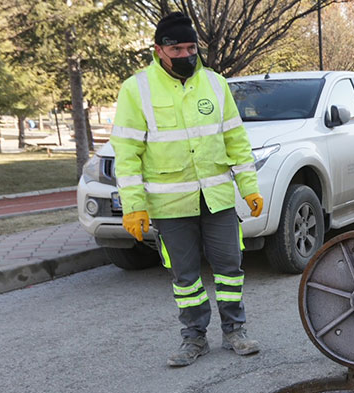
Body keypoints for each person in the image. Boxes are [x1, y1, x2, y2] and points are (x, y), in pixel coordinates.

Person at [110, 12, 264, 367]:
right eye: (176, 47)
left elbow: (235, 141)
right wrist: (133, 205)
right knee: (185, 276)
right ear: (158, 50)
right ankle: (194, 338)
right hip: (170, 204)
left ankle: (235, 331)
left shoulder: (215, 83)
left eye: (190, 47)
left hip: (217, 198)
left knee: (229, 267)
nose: (185, 54)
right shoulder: (137, 89)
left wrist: (249, 187)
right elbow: (128, 154)